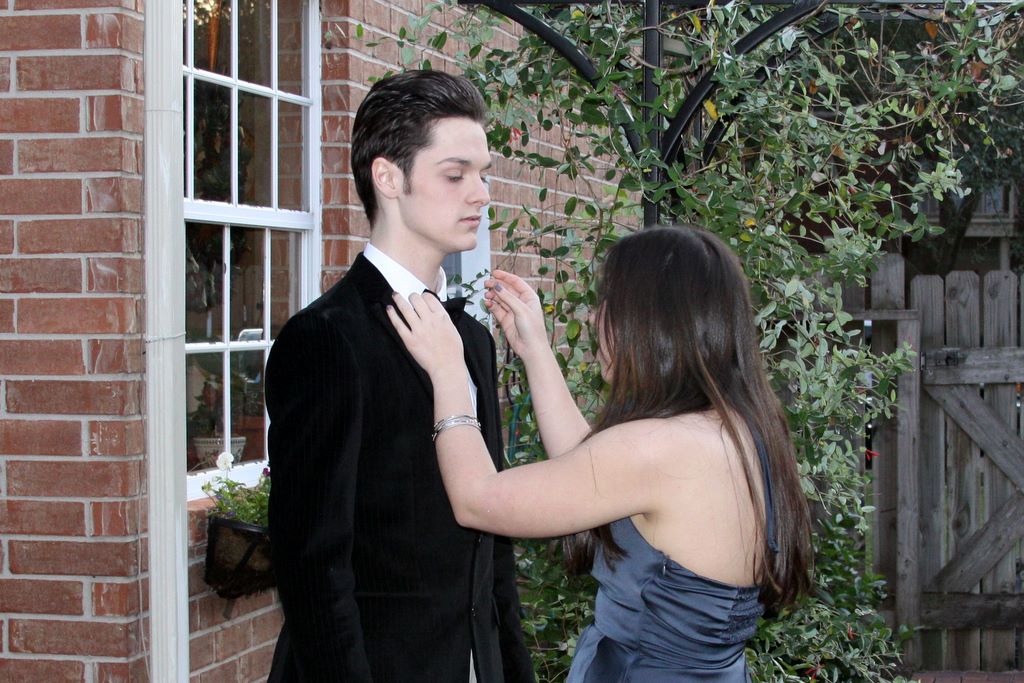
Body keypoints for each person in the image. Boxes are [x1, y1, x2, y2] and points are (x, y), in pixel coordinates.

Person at [387, 225, 814, 682]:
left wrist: (448, 369)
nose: (594, 319)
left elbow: (477, 498)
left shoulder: (660, 448)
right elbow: (591, 470)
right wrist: (535, 350)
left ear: (649, 320)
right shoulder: (735, 428)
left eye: (607, 303)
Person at [264, 70, 535, 683]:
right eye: (455, 174)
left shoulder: (471, 339)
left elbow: (491, 546)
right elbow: (312, 568)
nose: (480, 194)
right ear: (388, 178)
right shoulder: (325, 339)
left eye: (484, 174)